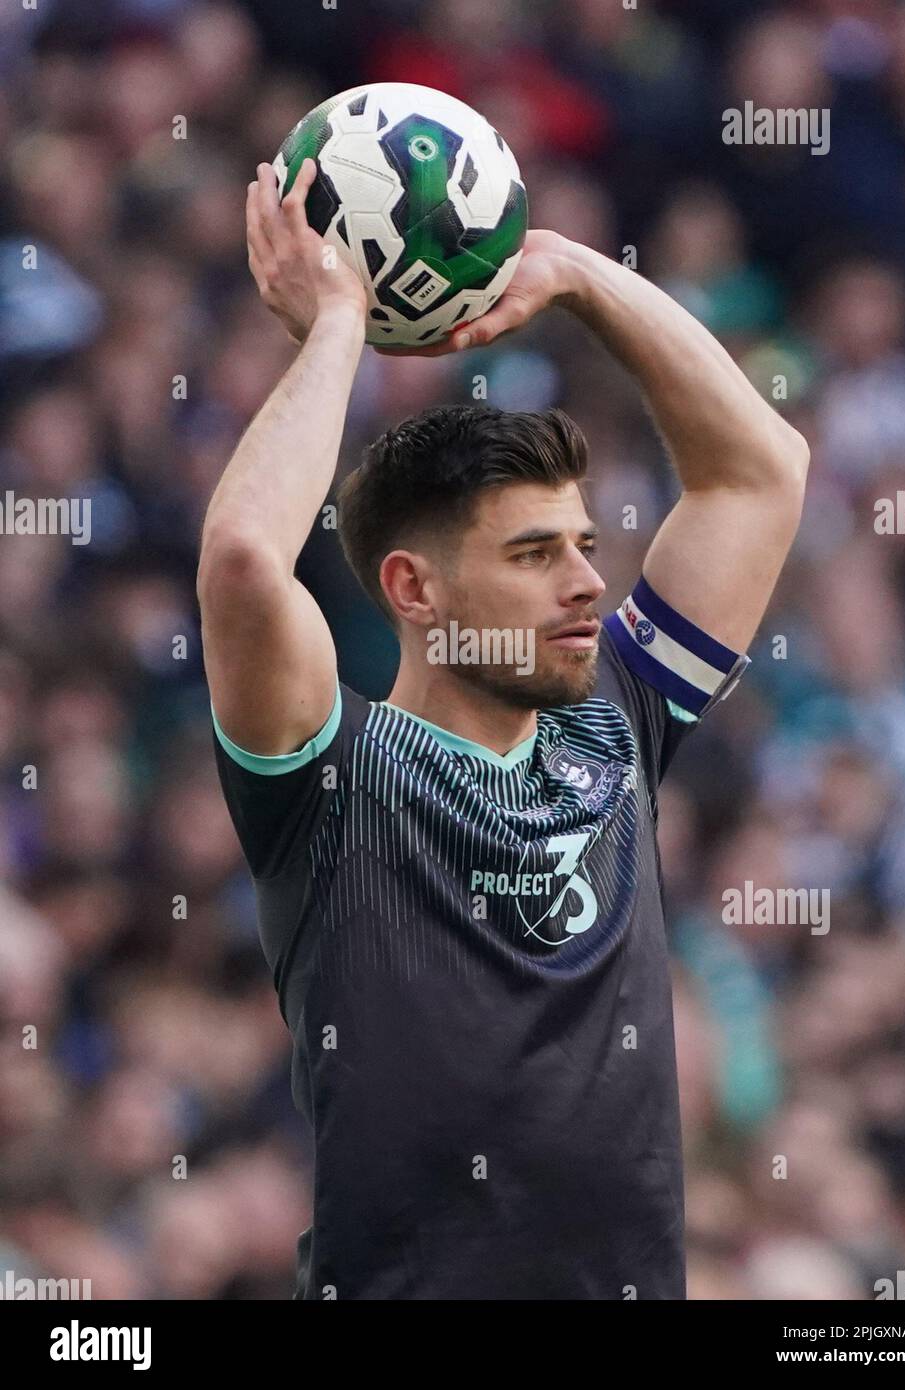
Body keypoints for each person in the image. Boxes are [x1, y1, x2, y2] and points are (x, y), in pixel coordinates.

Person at [197, 157, 809, 1299]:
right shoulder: (329, 775)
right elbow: (242, 560)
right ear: (413, 591)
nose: (586, 580)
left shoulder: (613, 724)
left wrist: (576, 272)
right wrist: (337, 323)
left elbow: (759, 475)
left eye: (582, 543)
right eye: (534, 555)